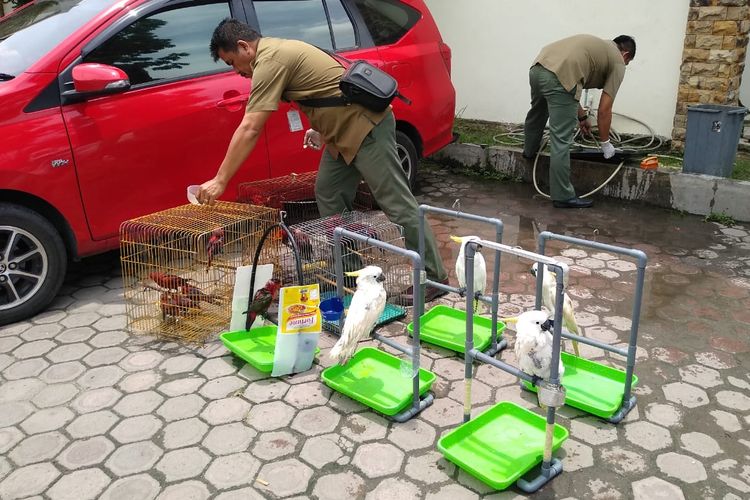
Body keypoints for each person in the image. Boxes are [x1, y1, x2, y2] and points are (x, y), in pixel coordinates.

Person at [196, 19, 449, 304]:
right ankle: (350, 271)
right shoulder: (277, 50)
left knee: (396, 203)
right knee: (329, 192)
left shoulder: (270, 60)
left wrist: (220, 180)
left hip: (366, 128)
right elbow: (325, 88)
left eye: (233, 61)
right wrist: (322, 127)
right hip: (340, 133)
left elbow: (251, 127)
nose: (236, 71)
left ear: (245, 47)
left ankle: (434, 277)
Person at [523, 34, 636, 209]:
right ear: (626, 55)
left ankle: (529, 152)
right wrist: (605, 143)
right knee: (561, 139)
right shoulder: (618, 62)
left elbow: (569, 84)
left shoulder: (599, 48)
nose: (625, 66)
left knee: (537, 113)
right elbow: (604, 109)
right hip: (561, 76)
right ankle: (563, 196)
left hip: (538, 68)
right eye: (628, 63)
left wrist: (582, 116)